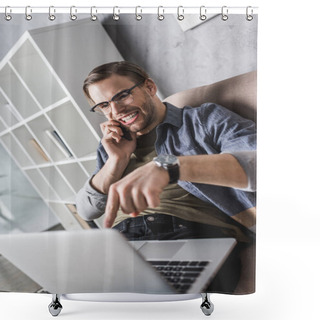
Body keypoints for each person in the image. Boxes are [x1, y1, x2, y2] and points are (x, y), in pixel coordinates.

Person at [76, 61, 257, 293]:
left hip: (189, 233)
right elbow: (86, 210)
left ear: (149, 87)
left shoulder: (202, 119)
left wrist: (171, 167)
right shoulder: (112, 145)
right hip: (118, 243)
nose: (116, 111)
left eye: (122, 96)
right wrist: (116, 161)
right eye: (104, 105)